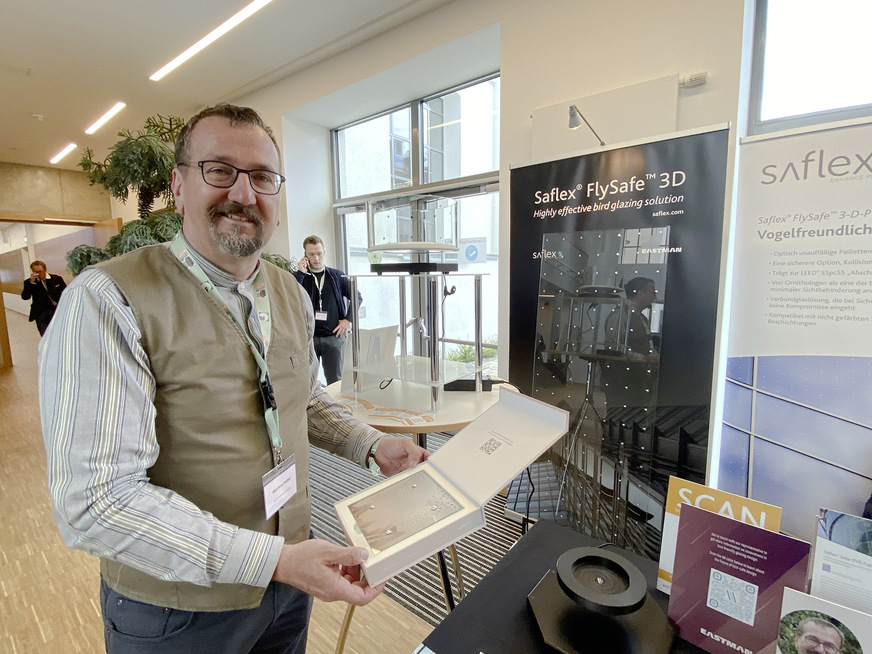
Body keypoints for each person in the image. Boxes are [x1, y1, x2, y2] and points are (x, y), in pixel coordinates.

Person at [39, 103, 428, 654]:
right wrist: (273, 560)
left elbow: (304, 398)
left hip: (291, 581)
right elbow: (96, 500)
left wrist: (373, 444)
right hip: (180, 610)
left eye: (264, 177)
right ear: (178, 186)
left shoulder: (288, 290)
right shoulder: (108, 301)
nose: (244, 195)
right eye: (219, 170)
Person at [294, 235, 361, 385]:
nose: (316, 258)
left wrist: (348, 320)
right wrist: (300, 273)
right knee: (306, 380)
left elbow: (357, 297)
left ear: (324, 252)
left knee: (335, 380)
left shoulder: (336, 275)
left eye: (319, 253)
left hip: (333, 337)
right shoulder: (301, 276)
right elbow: (290, 295)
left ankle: (336, 407)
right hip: (308, 338)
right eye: (311, 254)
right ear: (305, 255)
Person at [21, 260, 66, 335]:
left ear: (45, 269)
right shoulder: (29, 282)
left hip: (57, 310)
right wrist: (31, 283)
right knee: (45, 335)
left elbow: (65, 293)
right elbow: (25, 297)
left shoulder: (56, 279)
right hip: (41, 313)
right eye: (35, 272)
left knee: (59, 333)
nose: (38, 274)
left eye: (40, 271)